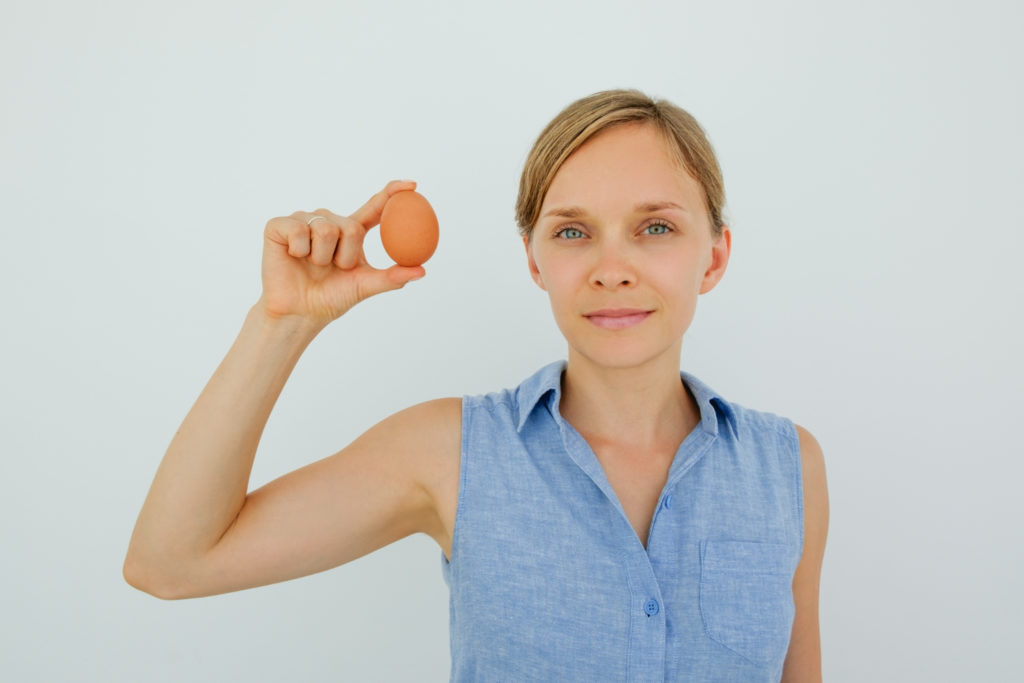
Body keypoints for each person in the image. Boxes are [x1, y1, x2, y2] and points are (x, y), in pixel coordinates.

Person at [124, 88, 829, 682]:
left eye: (655, 227)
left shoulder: (789, 468)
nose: (612, 268)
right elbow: (171, 561)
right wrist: (282, 322)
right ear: (533, 260)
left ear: (714, 257)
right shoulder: (448, 453)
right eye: (573, 232)